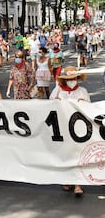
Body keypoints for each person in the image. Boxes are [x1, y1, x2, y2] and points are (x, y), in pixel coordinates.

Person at [50, 66, 89, 197]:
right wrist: (57, 97)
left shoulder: (83, 91)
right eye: (69, 79)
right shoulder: (59, 90)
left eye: (73, 79)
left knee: (77, 154)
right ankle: (67, 180)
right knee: (65, 154)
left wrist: (83, 103)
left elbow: (90, 108)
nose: (71, 81)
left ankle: (78, 183)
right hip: (62, 126)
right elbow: (50, 104)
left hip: (78, 128)